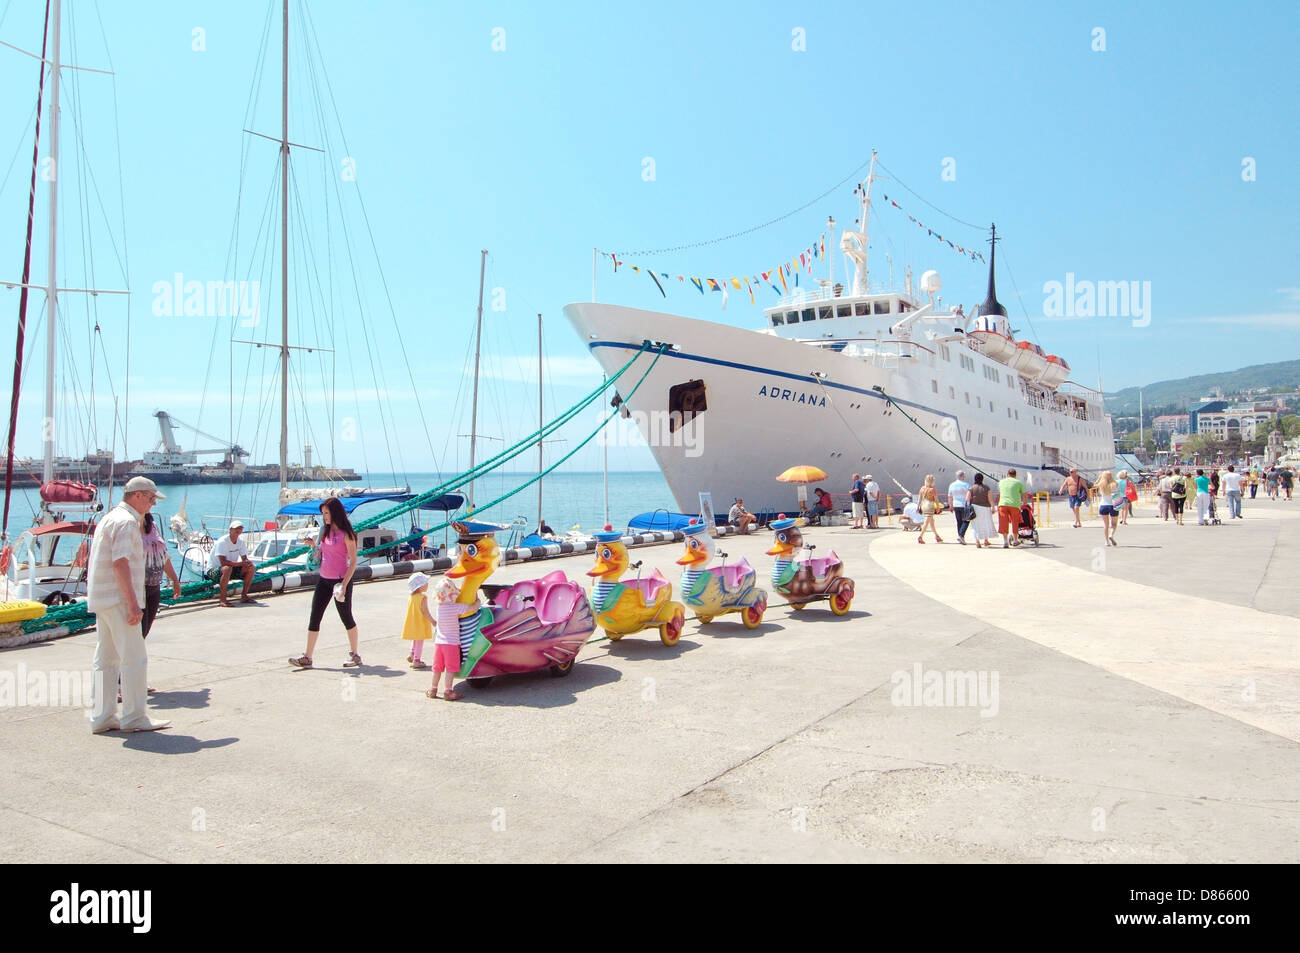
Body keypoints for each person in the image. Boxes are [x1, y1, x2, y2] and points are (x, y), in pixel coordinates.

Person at [87, 476, 172, 733]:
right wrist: (133, 603)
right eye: (151, 498)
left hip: (103, 598)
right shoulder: (126, 522)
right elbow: (120, 562)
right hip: (119, 599)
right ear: (137, 495)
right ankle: (134, 716)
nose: (153, 503)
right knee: (134, 658)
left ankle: (102, 717)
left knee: (106, 659)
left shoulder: (110, 518)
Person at [289, 497, 362, 669]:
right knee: (315, 616)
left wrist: (344, 585)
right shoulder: (324, 531)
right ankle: (308, 657)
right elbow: (323, 552)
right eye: (323, 513)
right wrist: (313, 546)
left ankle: (355, 654)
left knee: (346, 617)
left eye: (327, 513)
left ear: (335, 513)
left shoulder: (347, 534)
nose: (324, 517)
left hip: (340, 581)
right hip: (323, 579)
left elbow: (353, 562)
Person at [427, 576, 464, 701]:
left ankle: (433, 689)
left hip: (439, 643)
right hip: (451, 643)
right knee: (450, 668)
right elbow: (472, 608)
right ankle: (448, 691)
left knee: (437, 668)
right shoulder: (455, 607)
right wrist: (477, 602)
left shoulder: (439, 608)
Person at [211, 520, 256, 607]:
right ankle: (222, 600)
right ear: (230, 530)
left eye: (240, 528)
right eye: (236, 528)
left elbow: (244, 558)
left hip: (231, 568)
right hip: (214, 569)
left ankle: (244, 596)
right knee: (227, 569)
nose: (238, 530)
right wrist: (240, 564)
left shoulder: (241, 542)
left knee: (251, 568)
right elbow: (223, 562)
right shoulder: (222, 542)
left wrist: (247, 563)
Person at [402, 572, 435, 669]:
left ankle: (412, 654)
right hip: (420, 623)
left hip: (413, 622)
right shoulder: (423, 598)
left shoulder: (411, 597)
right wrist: (433, 621)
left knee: (415, 639)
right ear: (420, 586)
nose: (427, 584)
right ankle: (417, 660)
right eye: (425, 583)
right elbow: (425, 612)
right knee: (420, 641)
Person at [996, 468, 1026, 548]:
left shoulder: (1001, 482)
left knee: (1003, 523)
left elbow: (1000, 494)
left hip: (1002, 504)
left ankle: (1005, 541)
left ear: (1007, 474)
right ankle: (1015, 540)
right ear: (1015, 475)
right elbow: (1024, 495)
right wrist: (1024, 503)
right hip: (1014, 505)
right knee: (1015, 522)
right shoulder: (1018, 482)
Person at [968, 473, 995, 548]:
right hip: (985, 508)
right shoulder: (986, 488)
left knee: (975, 524)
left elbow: (967, 498)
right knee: (985, 523)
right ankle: (986, 541)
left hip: (975, 508)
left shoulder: (972, 488)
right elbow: (990, 499)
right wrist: (993, 507)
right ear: (982, 479)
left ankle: (977, 542)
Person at [1096, 470, 1121, 546]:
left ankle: (1107, 541)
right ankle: (1111, 535)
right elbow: (1117, 495)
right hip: (1113, 505)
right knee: (1114, 524)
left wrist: (1099, 477)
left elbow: (1095, 484)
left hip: (1103, 505)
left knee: (1105, 525)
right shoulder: (1114, 484)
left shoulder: (1101, 485)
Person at [917, 474, 944, 544]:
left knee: (932, 522)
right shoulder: (932, 489)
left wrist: (917, 507)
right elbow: (936, 499)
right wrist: (938, 507)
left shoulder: (922, 488)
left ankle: (937, 536)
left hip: (923, 505)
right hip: (929, 505)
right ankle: (920, 536)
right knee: (926, 522)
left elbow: (919, 499)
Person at [948, 469, 972, 545]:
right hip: (964, 505)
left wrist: (951, 506)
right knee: (966, 520)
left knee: (959, 522)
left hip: (956, 505)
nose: (965, 477)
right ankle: (961, 535)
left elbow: (950, 496)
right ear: (962, 476)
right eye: (964, 476)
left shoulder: (952, 485)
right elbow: (970, 495)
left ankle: (960, 536)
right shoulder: (967, 485)